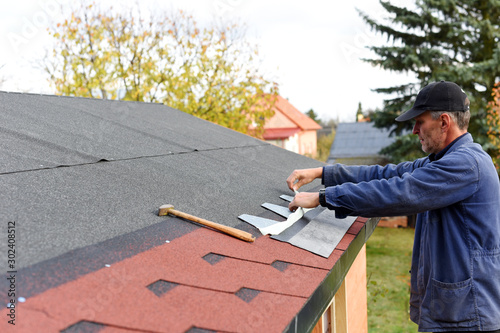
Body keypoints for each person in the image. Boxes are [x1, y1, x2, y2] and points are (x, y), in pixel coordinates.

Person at [287, 81, 500, 332]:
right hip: (456, 312)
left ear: (444, 122)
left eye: (420, 122)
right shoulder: (444, 161)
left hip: (470, 317)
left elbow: (398, 193)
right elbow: (386, 175)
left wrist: (323, 197)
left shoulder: (465, 165)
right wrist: (322, 172)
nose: (414, 130)